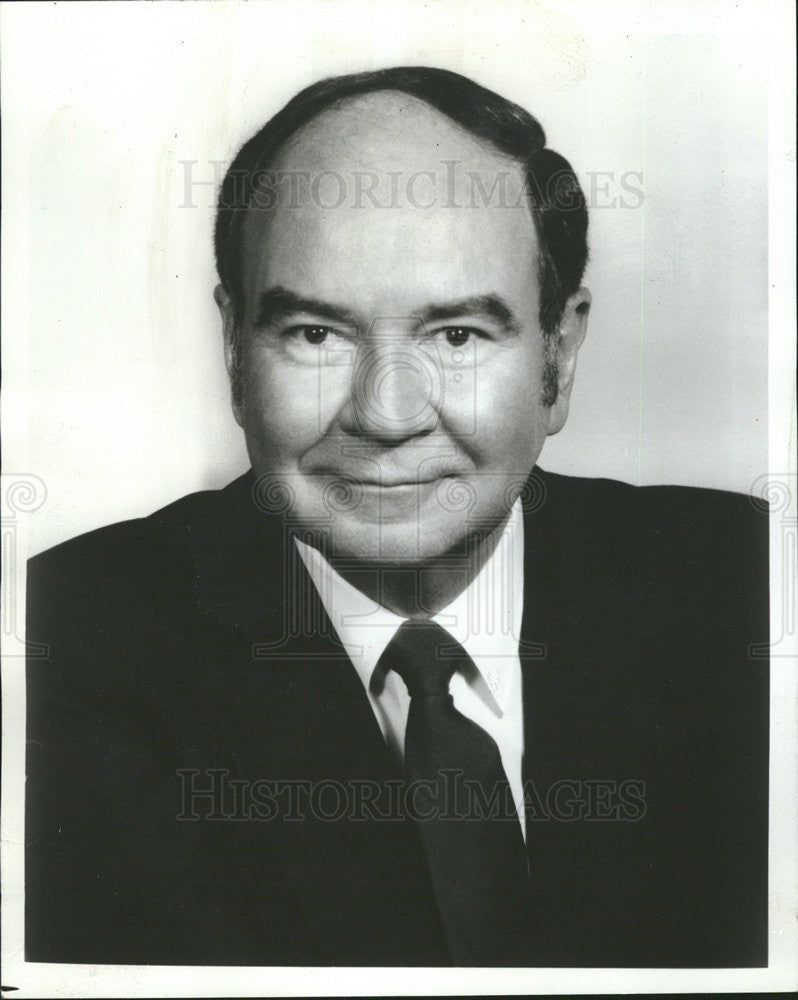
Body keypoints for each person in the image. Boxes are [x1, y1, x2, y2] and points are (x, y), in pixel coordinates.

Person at [26, 66, 769, 968]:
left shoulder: (748, 595)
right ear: (233, 351)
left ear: (560, 357)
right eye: (315, 334)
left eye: (456, 335)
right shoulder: (57, 648)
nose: (385, 414)